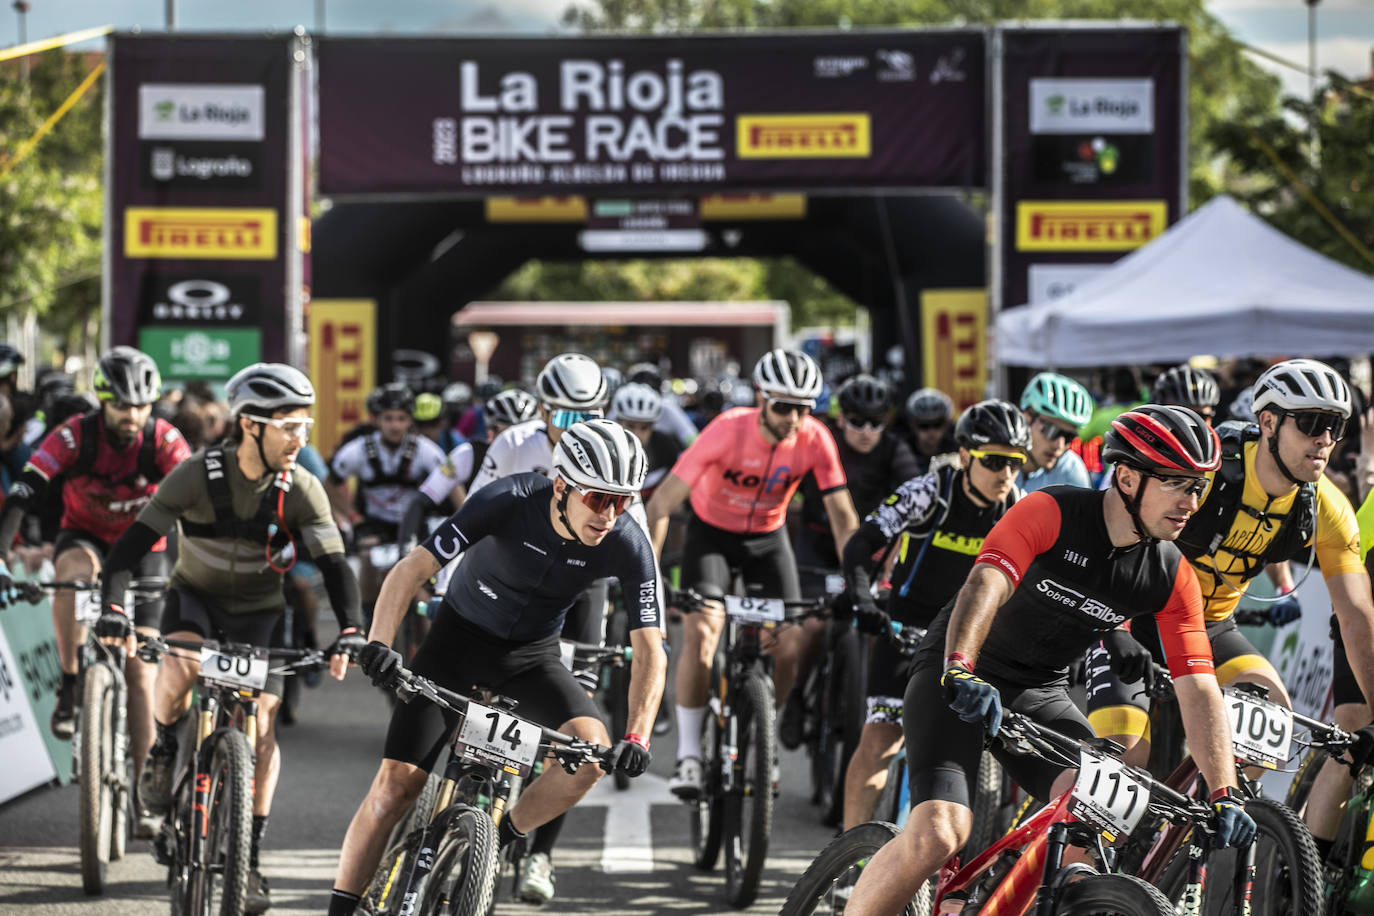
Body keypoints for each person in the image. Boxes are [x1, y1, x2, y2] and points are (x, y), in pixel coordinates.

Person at [840, 403, 1256, 915]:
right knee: (939, 834)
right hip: (958, 671)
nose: (1191, 501)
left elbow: (1198, 687)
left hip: (1039, 692)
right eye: (1177, 483)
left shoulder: (1171, 575)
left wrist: (1225, 792)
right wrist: (960, 668)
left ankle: (997, 899)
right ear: (1126, 477)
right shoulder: (1051, 511)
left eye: (1199, 487)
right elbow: (984, 584)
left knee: (1101, 809)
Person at [328, 420, 666, 916]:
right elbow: (409, 571)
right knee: (396, 786)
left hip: (531, 658)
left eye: (622, 501)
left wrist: (637, 736)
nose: (610, 515)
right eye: (598, 499)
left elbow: (651, 648)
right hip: (456, 644)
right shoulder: (507, 499)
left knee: (590, 757)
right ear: (562, 486)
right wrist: (379, 644)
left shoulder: (627, 540)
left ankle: (496, 841)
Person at [95, 363, 365, 913]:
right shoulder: (196, 475)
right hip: (194, 599)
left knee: (263, 728)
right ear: (250, 425)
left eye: (305, 426)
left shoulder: (302, 488)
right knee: (179, 668)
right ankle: (166, 748)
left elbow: (336, 567)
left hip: (262, 613)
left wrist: (353, 632)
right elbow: (128, 549)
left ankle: (251, 855)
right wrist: (113, 608)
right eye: (288, 426)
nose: (300, 439)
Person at [1088, 360, 1374, 864]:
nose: (1325, 438)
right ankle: (1078, 871)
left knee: (1272, 720)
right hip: (1133, 618)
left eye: (1336, 425)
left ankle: (1176, 844)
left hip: (1208, 626)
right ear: (1268, 423)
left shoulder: (1326, 506)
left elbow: (1356, 617)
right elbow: (1111, 540)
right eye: (1309, 422)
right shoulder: (1208, 471)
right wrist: (1113, 625)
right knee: (1125, 755)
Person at [644, 348, 861, 798]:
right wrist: (650, 577)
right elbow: (661, 503)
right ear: (761, 399)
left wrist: (858, 580)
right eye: (783, 407)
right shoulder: (726, 431)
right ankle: (687, 756)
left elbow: (843, 517)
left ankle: (764, 730)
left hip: (768, 539)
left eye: (804, 408)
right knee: (703, 633)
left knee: (789, 643)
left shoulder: (816, 439)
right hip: (712, 536)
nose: (794, 419)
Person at [0, 348, 190, 837]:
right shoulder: (73, 436)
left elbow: (195, 500)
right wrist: (2, 555)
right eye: (124, 406)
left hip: (146, 546)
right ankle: (69, 685)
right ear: (102, 402)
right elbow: (25, 490)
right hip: (84, 535)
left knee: (141, 675)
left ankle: (147, 795)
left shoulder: (164, 439)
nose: (134, 416)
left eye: (143, 406)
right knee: (74, 572)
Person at [837, 400, 1027, 831]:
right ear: (964, 456)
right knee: (881, 738)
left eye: (1016, 463)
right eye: (994, 461)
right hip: (905, 624)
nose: (1006, 474)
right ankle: (844, 860)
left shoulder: (1018, 506)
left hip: (970, 637)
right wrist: (865, 602)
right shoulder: (927, 492)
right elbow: (860, 545)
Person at [780, 374, 918, 748]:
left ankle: (861, 699)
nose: (866, 431)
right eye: (857, 421)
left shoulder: (894, 450)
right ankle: (796, 697)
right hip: (818, 546)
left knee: (877, 627)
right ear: (842, 418)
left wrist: (892, 560)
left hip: (872, 553)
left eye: (876, 422)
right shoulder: (823, 441)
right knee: (812, 626)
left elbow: (915, 507)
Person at [327, 382, 446, 620]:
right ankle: (367, 618)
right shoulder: (358, 450)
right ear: (376, 420)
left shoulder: (426, 451)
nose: (395, 425)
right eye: (388, 418)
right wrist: (353, 518)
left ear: (410, 420)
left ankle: (423, 638)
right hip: (374, 522)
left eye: (401, 418)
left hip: (413, 523)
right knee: (367, 557)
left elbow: (452, 486)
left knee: (419, 581)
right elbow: (329, 484)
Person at [1017, 371, 1093, 492]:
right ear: (1025, 419)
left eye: (1069, 437)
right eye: (1051, 431)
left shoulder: (1070, 469)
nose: (1059, 445)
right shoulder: (995, 459)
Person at [609, 381, 683, 503]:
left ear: (653, 426)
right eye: (631, 425)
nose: (637, 434)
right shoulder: (604, 446)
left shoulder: (665, 447)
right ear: (618, 421)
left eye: (644, 428)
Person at [903, 387, 957, 474]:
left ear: (946, 424)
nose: (931, 431)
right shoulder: (902, 451)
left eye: (937, 424)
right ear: (912, 425)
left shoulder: (957, 449)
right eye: (923, 425)